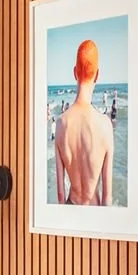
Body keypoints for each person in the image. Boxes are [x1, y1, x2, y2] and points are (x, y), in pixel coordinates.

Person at [54, 38, 113, 206]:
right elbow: (107, 197)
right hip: (93, 210)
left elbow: (60, 194)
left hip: (70, 206)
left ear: (75, 72)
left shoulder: (60, 123)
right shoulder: (105, 126)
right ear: (97, 75)